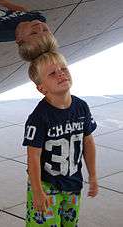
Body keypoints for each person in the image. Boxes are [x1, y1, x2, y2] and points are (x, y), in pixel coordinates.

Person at [23, 50, 98, 226]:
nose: (61, 73)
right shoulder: (39, 117)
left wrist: (92, 176)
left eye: (63, 68)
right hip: (46, 185)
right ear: (42, 88)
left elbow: (88, 142)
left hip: (73, 182)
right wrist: (37, 191)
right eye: (52, 73)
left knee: (69, 224)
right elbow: (32, 156)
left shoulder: (82, 107)